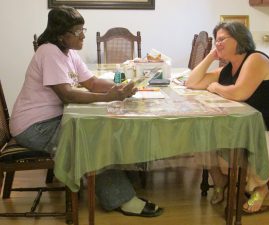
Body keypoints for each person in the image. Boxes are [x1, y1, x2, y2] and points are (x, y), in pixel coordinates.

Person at [9, 6, 163, 217]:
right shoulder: (49, 52)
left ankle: (120, 191)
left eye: (83, 29)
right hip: (35, 128)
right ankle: (123, 199)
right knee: (92, 140)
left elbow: (91, 82)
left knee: (100, 130)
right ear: (61, 35)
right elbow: (68, 95)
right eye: (77, 31)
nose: (83, 35)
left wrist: (122, 85)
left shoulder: (68, 53)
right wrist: (109, 97)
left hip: (50, 119)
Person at [185, 22, 269, 213]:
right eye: (217, 40)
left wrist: (215, 87)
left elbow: (239, 93)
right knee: (203, 134)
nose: (218, 43)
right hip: (251, 127)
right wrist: (211, 56)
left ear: (239, 39)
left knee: (247, 160)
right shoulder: (229, 68)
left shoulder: (256, 59)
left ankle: (259, 188)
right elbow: (192, 82)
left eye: (222, 39)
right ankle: (221, 180)